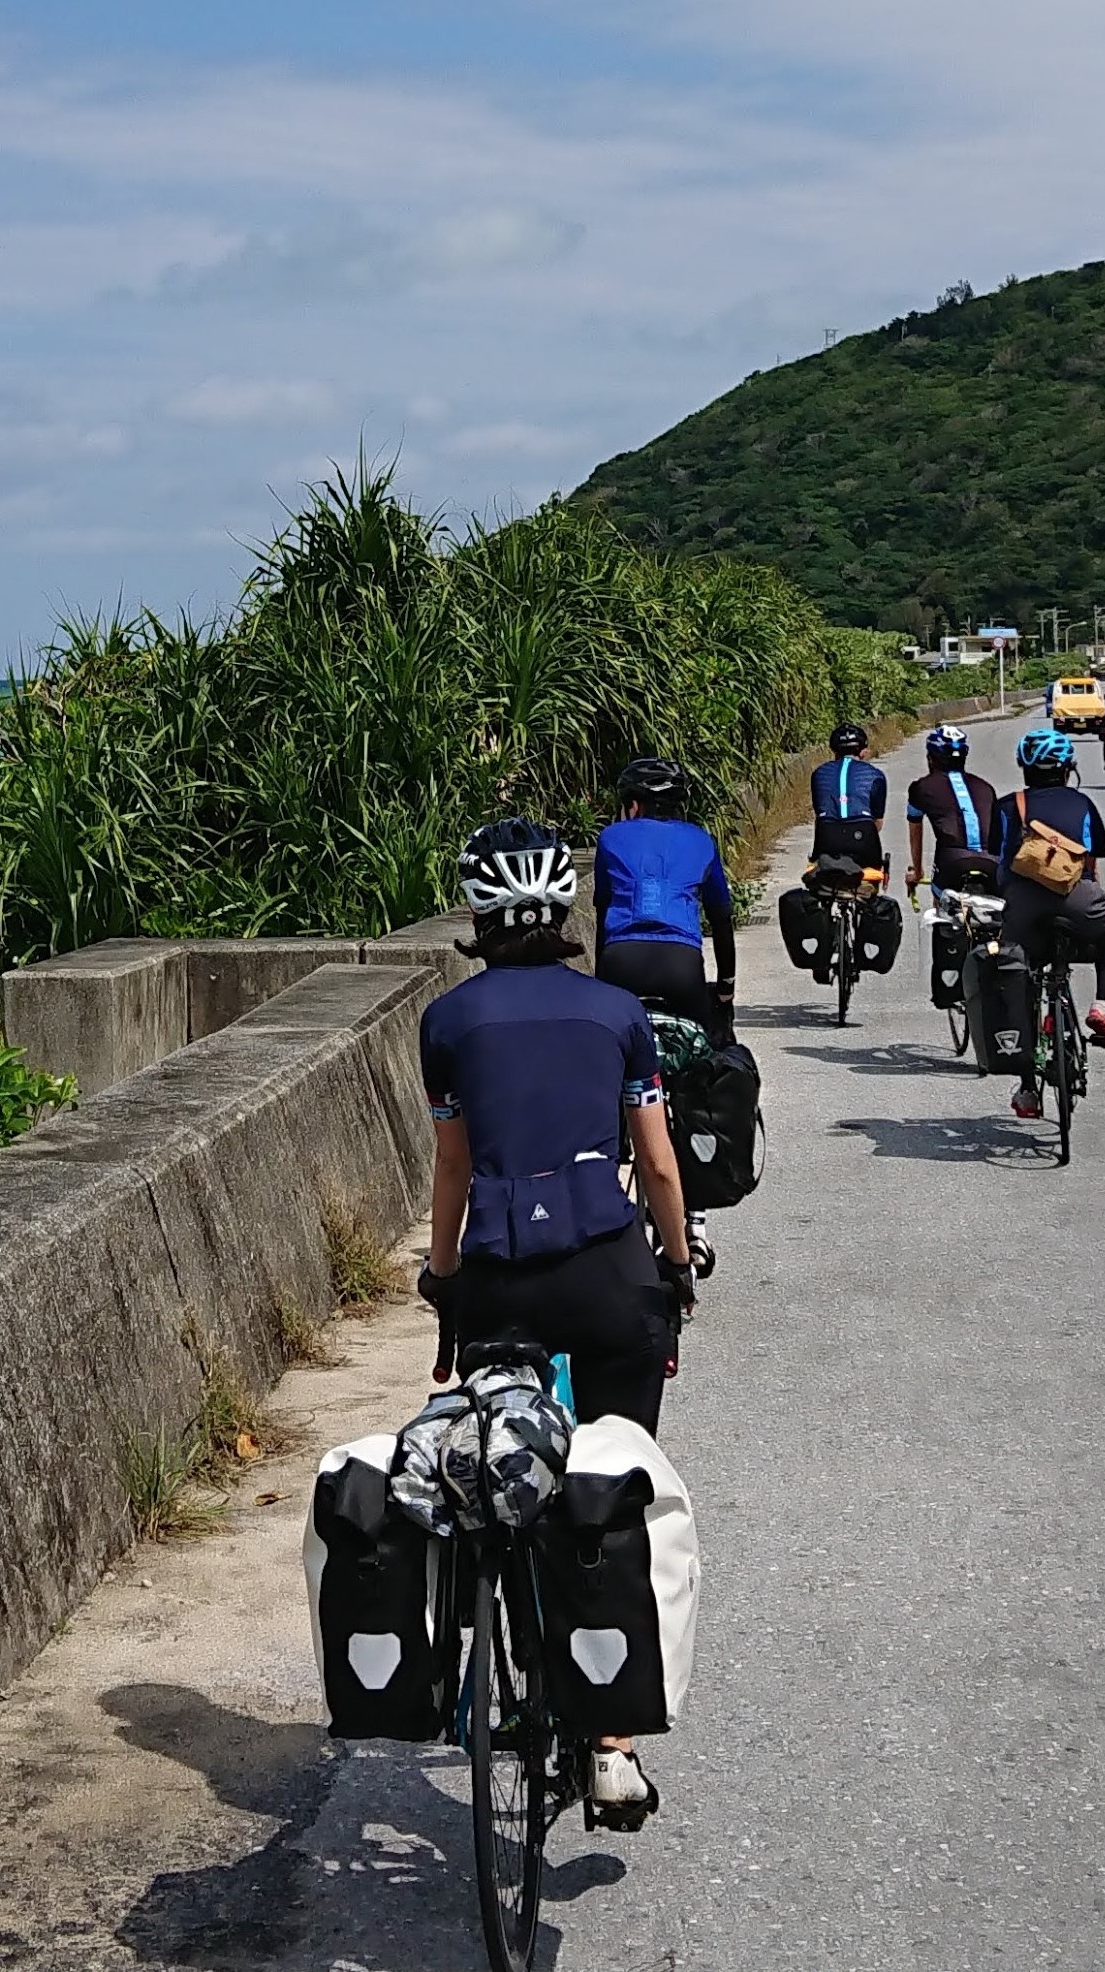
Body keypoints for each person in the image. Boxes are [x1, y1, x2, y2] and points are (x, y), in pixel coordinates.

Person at [417, 817, 696, 1818]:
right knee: (610, 1478)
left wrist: (444, 1278)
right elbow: (658, 1165)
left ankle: (507, 1641)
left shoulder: (448, 1023)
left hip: (498, 1280)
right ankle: (611, 1743)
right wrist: (675, 1264)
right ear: (567, 906)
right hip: (607, 1277)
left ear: (479, 915)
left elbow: (453, 1169)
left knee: (501, 1463)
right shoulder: (619, 1011)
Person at [986, 728, 1105, 1121]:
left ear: (1024, 767)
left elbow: (995, 860)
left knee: (1021, 979)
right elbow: (1092, 861)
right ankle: (1102, 1004)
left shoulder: (1006, 806)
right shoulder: (1082, 803)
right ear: (1068, 769)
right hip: (1079, 900)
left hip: (1023, 907)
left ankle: (1029, 1090)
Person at [594, 755, 737, 1043]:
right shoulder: (701, 840)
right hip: (681, 963)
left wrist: (602, 984)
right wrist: (725, 988)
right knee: (699, 1053)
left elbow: (603, 913)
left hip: (620, 960)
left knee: (609, 1050)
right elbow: (721, 919)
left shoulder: (610, 838)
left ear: (632, 806)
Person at [904, 724, 1002, 900]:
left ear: (930, 758)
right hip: (992, 862)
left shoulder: (920, 788)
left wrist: (917, 873)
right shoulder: (986, 788)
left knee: (942, 904)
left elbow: (915, 833)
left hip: (952, 861)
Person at [808, 721, 887, 869]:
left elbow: (819, 815)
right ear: (863, 752)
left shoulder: (819, 773)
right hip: (863, 835)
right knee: (870, 877)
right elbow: (877, 822)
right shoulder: (876, 775)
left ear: (833, 750)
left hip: (827, 834)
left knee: (821, 878)